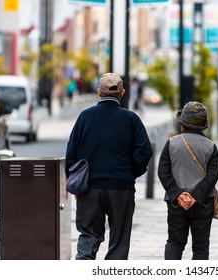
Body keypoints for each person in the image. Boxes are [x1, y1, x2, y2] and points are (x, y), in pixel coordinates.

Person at [65, 73, 153, 259]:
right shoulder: (131, 119)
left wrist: (76, 186)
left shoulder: (85, 118)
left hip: (90, 188)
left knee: (88, 237)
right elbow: (144, 152)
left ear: (99, 92)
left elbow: (71, 153)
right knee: (119, 242)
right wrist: (130, 173)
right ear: (122, 93)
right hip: (121, 187)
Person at [158, 101, 218, 260]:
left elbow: (163, 172)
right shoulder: (211, 147)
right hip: (203, 202)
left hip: (176, 203)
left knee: (175, 243)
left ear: (182, 124)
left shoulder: (171, 144)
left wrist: (178, 194)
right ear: (203, 125)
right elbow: (212, 176)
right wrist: (195, 196)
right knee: (200, 246)